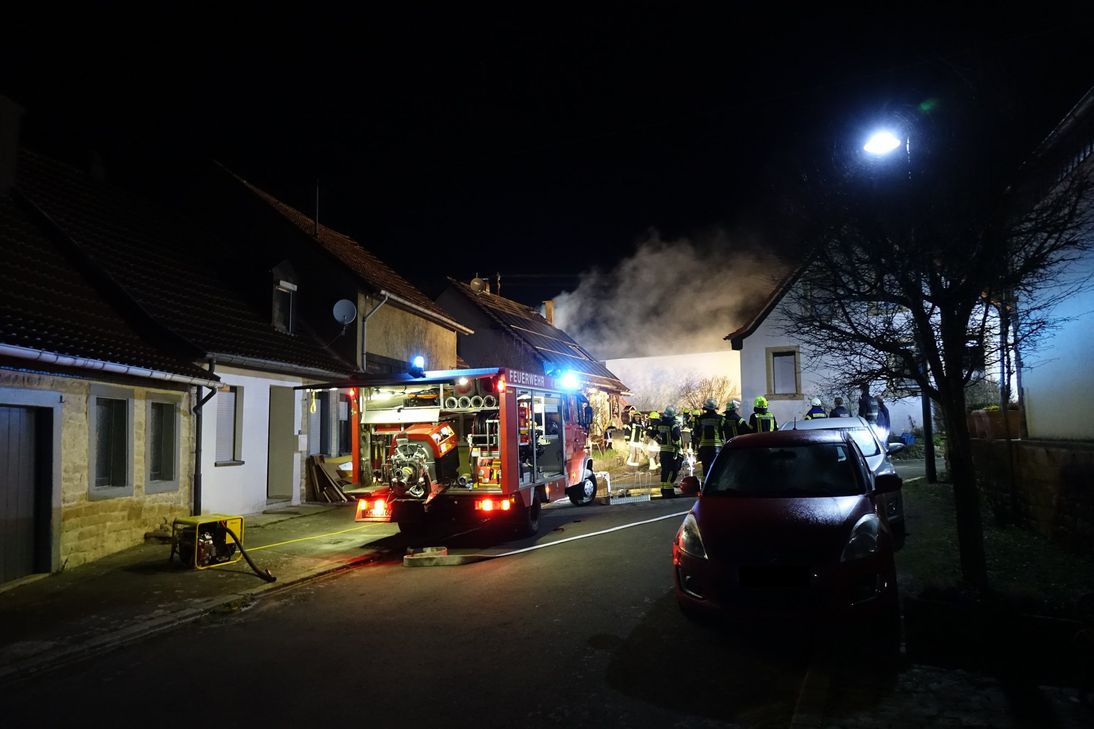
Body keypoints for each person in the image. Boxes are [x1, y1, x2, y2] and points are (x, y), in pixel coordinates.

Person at [651, 406, 682, 498]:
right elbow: (676, 437)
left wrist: (659, 441)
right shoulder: (673, 424)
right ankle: (669, 492)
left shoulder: (660, 424)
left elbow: (652, 434)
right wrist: (677, 446)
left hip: (663, 450)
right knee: (672, 471)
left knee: (665, 471)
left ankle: (664, 490)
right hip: (671, 451)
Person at [694, 399, 725, 481]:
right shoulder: (720, 418)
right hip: (717, 446)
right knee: (716, 466)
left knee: (705, 467)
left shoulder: (700, 419)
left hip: (704, 446)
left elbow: (696, 434)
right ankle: (715, 484)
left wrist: (697, 447)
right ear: (715, 408)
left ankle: (705, 486)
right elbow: (723, 432)